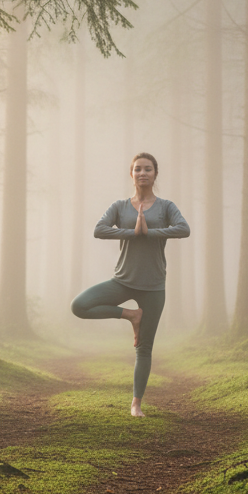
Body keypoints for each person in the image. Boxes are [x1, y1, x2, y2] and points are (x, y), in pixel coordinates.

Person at [70, 152, 190, 417]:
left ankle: (136, 404)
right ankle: (130, 315)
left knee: (144, 348)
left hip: (154, 286)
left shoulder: (166, 207)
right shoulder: (120, 206)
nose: (142, 173)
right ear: (131, 174)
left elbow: (184, 229)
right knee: (79, 306)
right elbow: (99, 229)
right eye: (138, 169)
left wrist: (151, 232)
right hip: (123, 280)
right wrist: (132, 233)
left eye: (148, 169)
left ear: (155, 174)